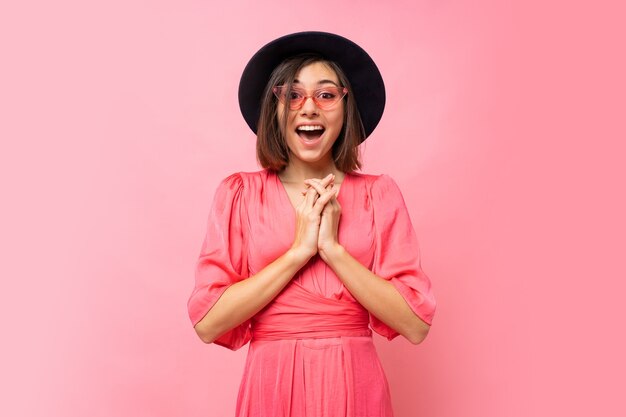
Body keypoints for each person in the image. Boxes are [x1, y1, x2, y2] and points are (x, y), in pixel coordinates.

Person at [187, 31, 436, 417]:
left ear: (345, 106)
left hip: (356, 386)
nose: (309, 108)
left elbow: (416, 325)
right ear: (275, 108)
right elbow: (208, 324)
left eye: (325, 94)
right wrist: (299, 251)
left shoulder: (378, 195)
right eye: (292, 95)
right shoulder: (239, 193)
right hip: (270, 384)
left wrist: (333, 250)